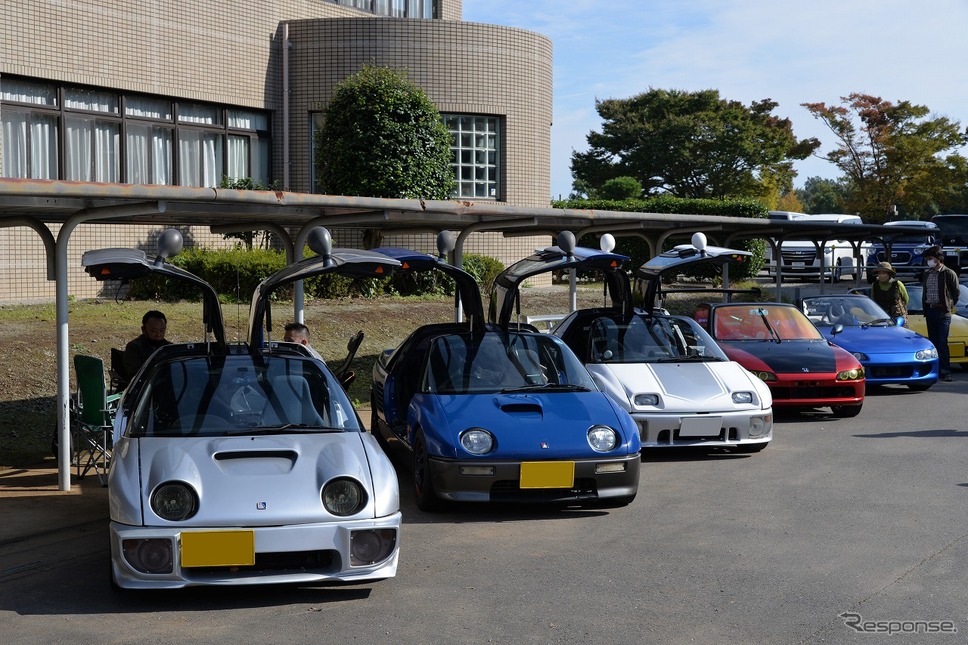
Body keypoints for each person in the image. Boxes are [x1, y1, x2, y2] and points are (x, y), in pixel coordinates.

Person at [919, 246, 960, 381]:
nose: (928, 262)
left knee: (942, 342)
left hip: (943, 312)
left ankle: (945, 370)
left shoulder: (948, 273)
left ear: (938, 259)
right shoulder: (927, 274)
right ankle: (935, 370)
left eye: (930, 259)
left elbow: (955, 293)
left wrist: (948, 306)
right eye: (927, 259)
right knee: (933, 342)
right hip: (930, 310)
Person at [122, 310, 171, 386]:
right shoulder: (134, 347)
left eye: (162, 330)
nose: (158, 334)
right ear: (143, 330)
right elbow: (135, 374)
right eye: (154, 331)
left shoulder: (169, 348)